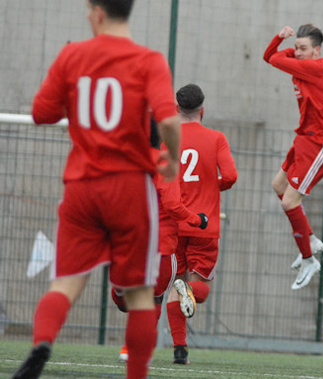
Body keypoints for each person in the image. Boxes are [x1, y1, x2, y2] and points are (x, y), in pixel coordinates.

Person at [12, 1, 181, 378]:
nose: (87, 17)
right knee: (139, 294)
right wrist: (173, 155)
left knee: (65, 284)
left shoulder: (73, 55)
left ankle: (42, 343)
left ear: (100, 13)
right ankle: (136, 375)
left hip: (82, 187)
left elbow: (41, 112)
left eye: (88, 10)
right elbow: (168, 119)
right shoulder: (149, 59)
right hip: (129, 187)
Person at [111, 119, 208, 363]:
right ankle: (132, 348)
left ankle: (121, 291)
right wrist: (197, 219)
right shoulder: (165, 163)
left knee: (129, 299)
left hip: (131, 240)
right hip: (161, 244)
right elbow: (174, 205)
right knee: (154, 298)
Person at [263, 24, 323, 290]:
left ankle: (310, 259)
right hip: (305, 137)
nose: (297, 53)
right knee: (278, 185)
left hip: (322, 142)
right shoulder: (303, 61)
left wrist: (281, 44)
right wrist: (283, 40)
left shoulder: (318, 68)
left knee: (289, 202)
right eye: (296, 47)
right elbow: (269, 57)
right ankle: (309, 239)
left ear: (317, 50)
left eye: (303, 48)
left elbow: (273, 58)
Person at [166, 83, 237, 364]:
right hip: (205, 225)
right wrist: (211, 187)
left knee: (175, 284)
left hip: (174, 223)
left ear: (176, 109)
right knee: (199, 289)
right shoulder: (216, 138)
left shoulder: (168, 138)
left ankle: (180, 349)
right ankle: (189, 292)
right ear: (202, 111)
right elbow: (230, 176)